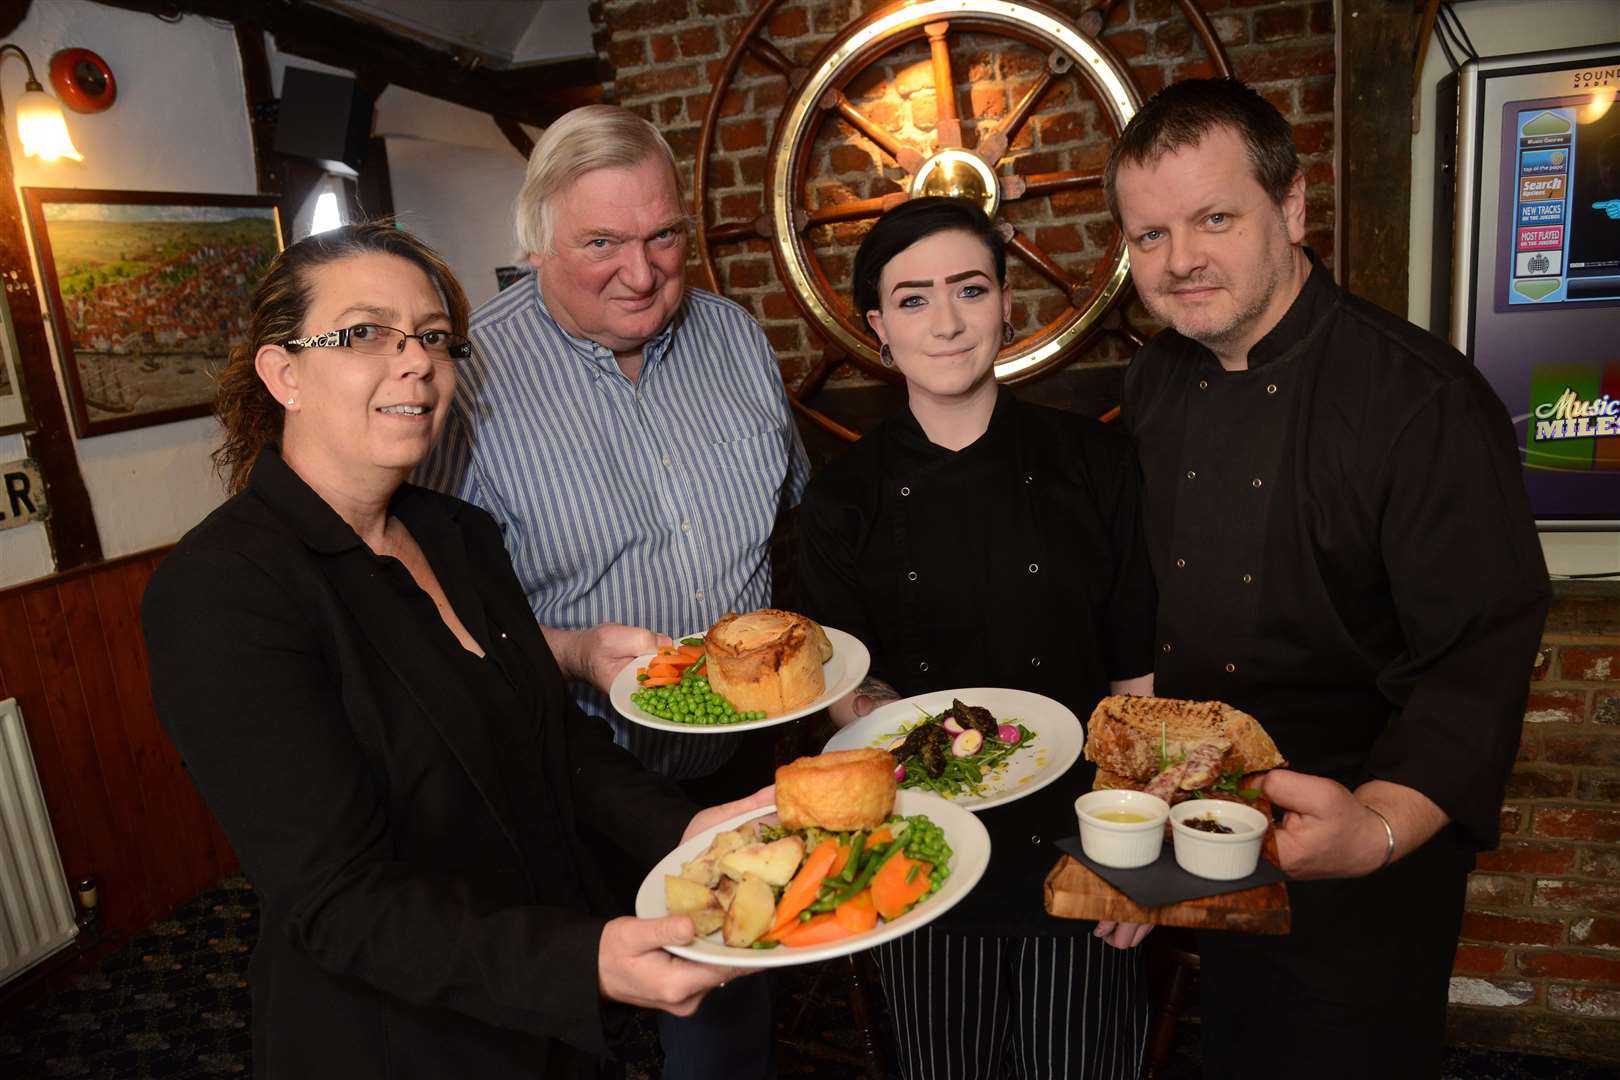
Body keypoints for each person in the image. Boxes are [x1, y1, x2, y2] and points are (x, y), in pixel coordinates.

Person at [141, 223, 764, 1080]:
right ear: (284, 373)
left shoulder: (458, 534)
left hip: (544, 1009)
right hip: (400, 1036)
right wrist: (575, 963)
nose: (417, 361)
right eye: (364, 334)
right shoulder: (223, 590)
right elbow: (338, 898)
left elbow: (556, 740)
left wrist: (682, 828)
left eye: (433, 336)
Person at [1105, 78, 1550, 1079]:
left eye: (1214, 218)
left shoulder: (1420, 399)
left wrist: (1380, 827)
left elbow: (1478, 655)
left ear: (1292, 207)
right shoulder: (1154, 382)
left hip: (1362, 855)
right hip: (1209, 830)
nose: (1180, 262)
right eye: (1148, 236)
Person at [798, 197, 1157, 1080]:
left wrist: (1134, 849)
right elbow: (844, 693)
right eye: (914, 299)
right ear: (879, 330)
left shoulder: (1096, 464)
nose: (948, 321)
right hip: (921, 847)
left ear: (1007, 306)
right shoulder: (843, 500)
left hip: (1080, 846)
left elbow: (1137, 674)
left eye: (969, 288)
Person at [417, 104, 810, 799]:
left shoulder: (738, 339)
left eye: (663, 236)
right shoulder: (460, 375)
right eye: (602, 243)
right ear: (535, 245)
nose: (641, 273)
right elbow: (431, 612)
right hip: (580, 782)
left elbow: (800, 517)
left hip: (760, 750)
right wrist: (568, 653)